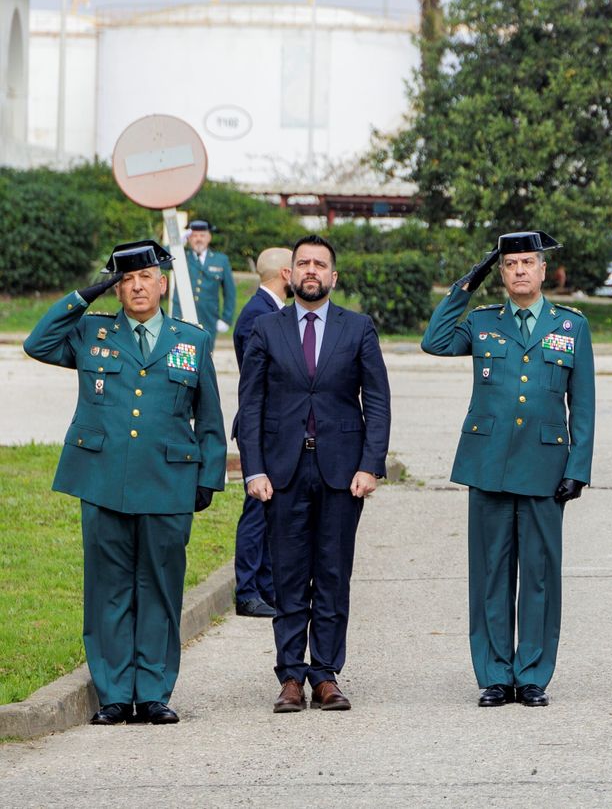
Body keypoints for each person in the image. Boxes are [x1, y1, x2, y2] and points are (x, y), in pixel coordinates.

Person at [23, 240, 226, 725]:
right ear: (116, 287)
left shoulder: (190, 340)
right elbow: (37, 342)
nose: (136, 286)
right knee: (107, 589)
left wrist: (208, 477)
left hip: (168, 481)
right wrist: (84, 295)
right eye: (125, 279)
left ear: (162, 284)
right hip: (103, 480)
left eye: (145, 277)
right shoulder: (91, 332)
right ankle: (114, 694)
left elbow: (211, 417)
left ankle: (153, 692)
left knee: (159, 587)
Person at [421, 231, 595, 707]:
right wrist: (468, 281)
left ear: (543, 271)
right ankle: (495, 674)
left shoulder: (571, 326)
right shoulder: (481, 322)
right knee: (491, 573)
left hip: (544, 464)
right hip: (489, 463)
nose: (519, 270)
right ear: (501, 273)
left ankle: (533, 674)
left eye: (527, 263)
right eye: (510, 264)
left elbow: (583, 404)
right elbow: (433, 341)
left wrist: (578, 466)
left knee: (538, 574)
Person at [236, 234, 391, 714]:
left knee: (331, 574)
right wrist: (254, 469)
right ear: (289, 274)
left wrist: (371, 464)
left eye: (319, 264)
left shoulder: (358, 328)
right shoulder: (267, 328)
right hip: (281, 471)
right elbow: (252, 403)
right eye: (302, 263)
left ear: (333, 276)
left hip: (342, 473)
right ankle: (289, 677)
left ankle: (325, 673)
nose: (310, 271)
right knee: (287, 576)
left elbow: (378, 400)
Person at [229, 246, 292, 619]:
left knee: (271, 510)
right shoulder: (257, 315)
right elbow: (260, 381)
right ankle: (248, 590)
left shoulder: (271, 310)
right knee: (256, 509)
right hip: (263, 425)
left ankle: (267, 587)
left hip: (276, 425)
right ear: (286, 273)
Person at [170, 219, 236, 343]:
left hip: (208, 319)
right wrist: (176, 245)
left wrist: (226, 319)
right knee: (182, 358)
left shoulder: (221, 260)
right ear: (188, 239)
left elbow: (230, 292)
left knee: (206, 358)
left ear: (209, 238)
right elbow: (159, 260)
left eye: (202, 235)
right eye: (194, 236)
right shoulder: (180, 256)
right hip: (181, 318)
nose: (198, 239)